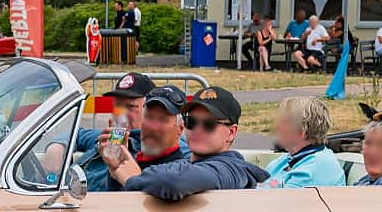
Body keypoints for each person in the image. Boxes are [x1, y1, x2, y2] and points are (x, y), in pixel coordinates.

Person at [104, 85, 266, 200]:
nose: (198, 129)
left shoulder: (231, 168)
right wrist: (115, 170)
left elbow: (172, 181)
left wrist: (132, 178)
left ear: (231, 132)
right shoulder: (185, 165)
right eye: (192, 122)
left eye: (209, 124)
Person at [96, 84, 191, 190]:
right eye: (149, 117)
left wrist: (135, 181)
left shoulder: (178, 173)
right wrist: (115, 170)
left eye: (162, 120)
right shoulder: (132, 161)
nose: (153, 127)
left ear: (180, 129)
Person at [74, 71, 153, 192]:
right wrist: (58, 146)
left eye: (131, 106)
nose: (122, 114)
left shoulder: (159, 147)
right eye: (118, 106)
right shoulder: (111, 136)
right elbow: (77, 134)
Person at [264, 96, 346, 188]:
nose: (277, 127)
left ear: (302, 130)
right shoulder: (288, 160)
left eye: (284, 122)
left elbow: (279, 200)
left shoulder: (312, 171)